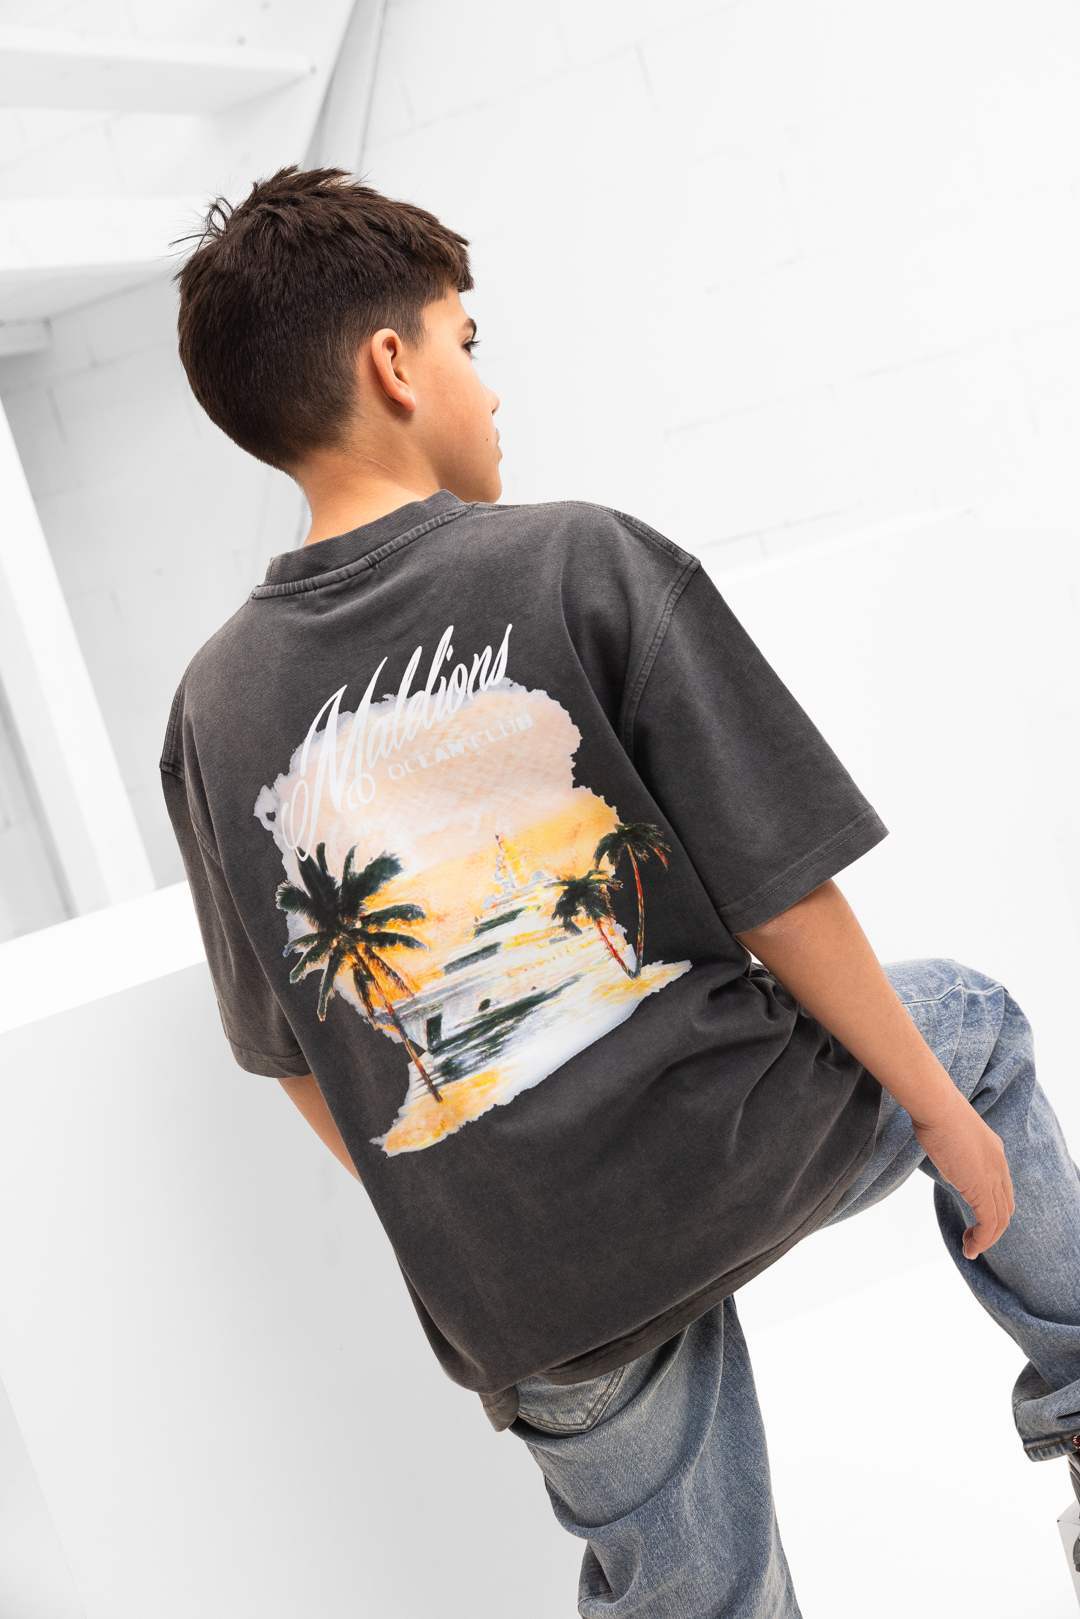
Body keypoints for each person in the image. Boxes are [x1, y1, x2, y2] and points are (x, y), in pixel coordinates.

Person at [162, 167, 1080, 1618]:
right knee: (974, 1028)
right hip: (728, 1144)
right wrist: (942, 1116)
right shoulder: (580, 558)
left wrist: (483, 1215)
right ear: (394, 365)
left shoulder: (210, 709)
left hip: (528, 1290)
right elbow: (783, 897)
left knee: (697, 1598)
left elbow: (290, 1056)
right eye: (468, 343)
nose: (490, 387)